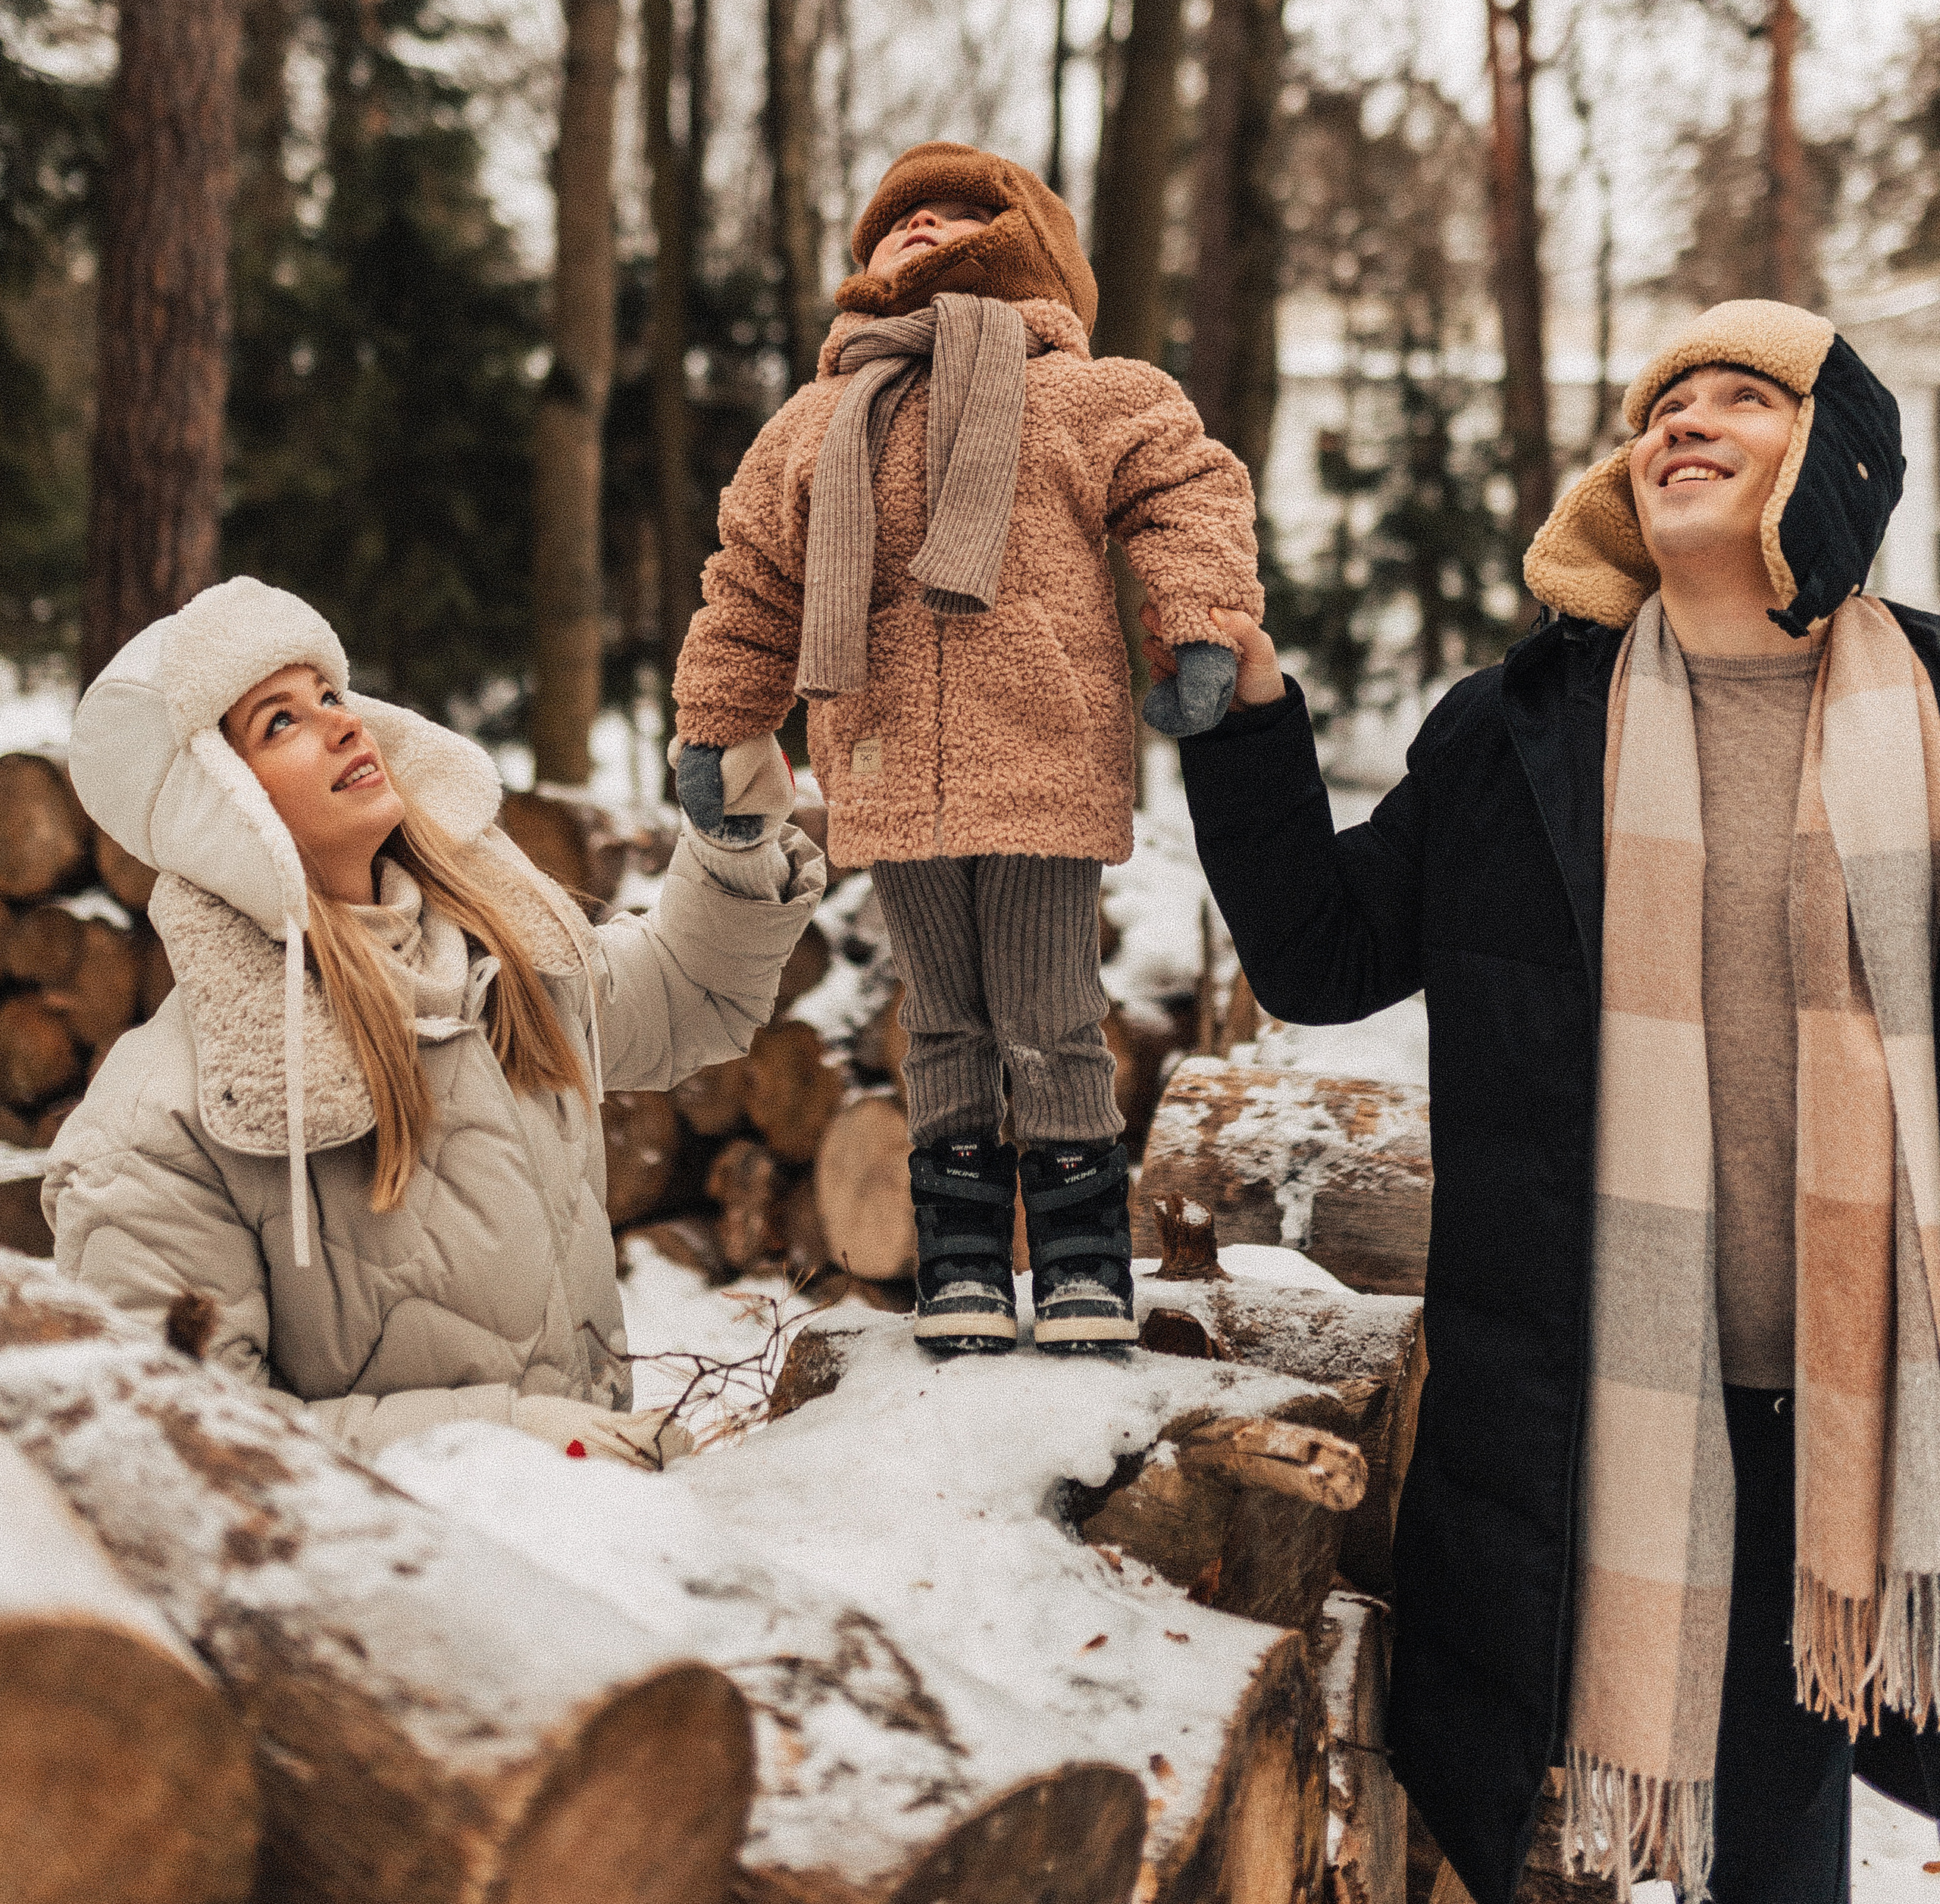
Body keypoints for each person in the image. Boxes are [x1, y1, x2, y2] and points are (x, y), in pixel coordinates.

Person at [1150, 299, 1940, 1904]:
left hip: (1888, 1403)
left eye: (1740, 394)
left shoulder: (1934, 706)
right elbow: (1318, 956)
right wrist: (1244, 715)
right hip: (1628, 1414)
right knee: (1747, 1883)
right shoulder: (1514, 734)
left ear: (1832, 458)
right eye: (1658, 402)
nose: (1682, 423)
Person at [671, 139, 1263, 1354]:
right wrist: (722, 725)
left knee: (1048, 1010)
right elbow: (751, 583)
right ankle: (960, 1269)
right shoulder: (818, 419)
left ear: (1026, 249)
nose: (921, 230)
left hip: (1039, 745)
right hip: (882, 757)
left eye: (955, 215)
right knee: (938, 1018)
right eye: (899, 221)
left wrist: (1198, 623)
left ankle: (1086, 1261)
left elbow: (1187, 490)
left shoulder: (1090, 391)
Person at [44, 575, 824, 1463]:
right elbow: (183, 1452)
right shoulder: (161, 1126)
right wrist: (508, 1444)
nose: (344, 722)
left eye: (331, 695)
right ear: (221, 809)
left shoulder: (501, 965)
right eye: (280, 721)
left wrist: (729, 843)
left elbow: (692, 995)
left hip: (611, 1549)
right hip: (406, 1585)